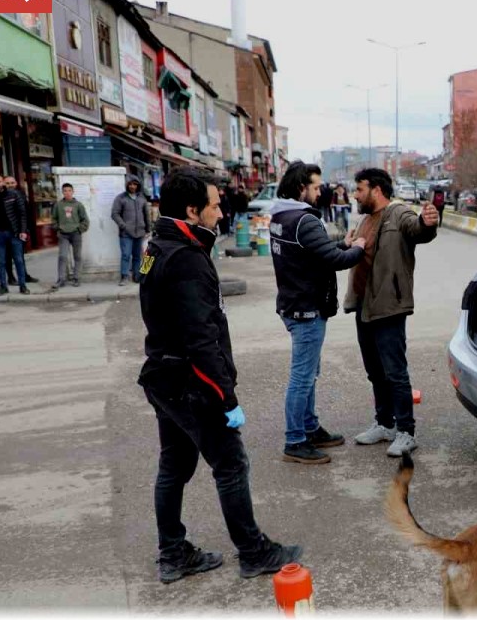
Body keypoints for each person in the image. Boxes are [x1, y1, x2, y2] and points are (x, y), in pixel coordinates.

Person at [138, 168, 302, 584]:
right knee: (230, 464)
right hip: (189, 383)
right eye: (214, 204)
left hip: (164, 376)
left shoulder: (159, 245)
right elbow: (201, 338)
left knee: (174, 466)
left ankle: (173, 553)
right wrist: (226, 397)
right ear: (192, 210)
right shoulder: (187, 259)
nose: (220, 211)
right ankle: (254, 551)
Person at [270, 162, 367, 464]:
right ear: (301, 188)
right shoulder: (305, 220)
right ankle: (295, 440)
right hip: (306, 310)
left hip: (292, 304)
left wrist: (341, 242)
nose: (319, 191)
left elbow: (310, 252)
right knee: (302, 377)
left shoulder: (280, 216)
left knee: (309, 373)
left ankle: (310, 428)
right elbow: (333, 260)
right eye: (315, 186)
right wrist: (358, 248)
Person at [344, 168, 438, 457]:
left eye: (360, 189)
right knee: (375, 371)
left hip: (388, 305)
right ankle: (384, 424)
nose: (356, 195)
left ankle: (406, 431)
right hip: (363, 304)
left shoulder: (399, 213)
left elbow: (418, 229)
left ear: (376, 190)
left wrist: (427, 222)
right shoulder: (364, 219)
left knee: (395, 372)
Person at [112, 175, 151, 286]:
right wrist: (123, 225)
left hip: (140, 232)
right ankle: (124, 276)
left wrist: (148, 229)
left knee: (137, 256)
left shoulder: (141, 198)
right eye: (130, 184)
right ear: (127, 185)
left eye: (135, 184)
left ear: (138, 185)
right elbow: (115, 214)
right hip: (126, 233)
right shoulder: (121, 198)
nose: (132, 186)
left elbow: (146, 214)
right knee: (126, 255)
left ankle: (136, 276)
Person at [50, 183, 89, 289]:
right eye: (65, 190)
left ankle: (76, 278)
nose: (67, 192)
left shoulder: (78, 205)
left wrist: (79, 229)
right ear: (62, 192)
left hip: (76, 234)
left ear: (73, 191)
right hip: (63, 235)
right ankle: (61, 279)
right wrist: (57, 228)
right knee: (62, 256)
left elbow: (85, 220)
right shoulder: (58, 205)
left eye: (69, 190)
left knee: (77, 257)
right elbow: (53, 219)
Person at [2, 176, 39, 285]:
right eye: (7, 183)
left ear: (16, 183)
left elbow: (26, 212)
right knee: (7, 255)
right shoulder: (2, 196)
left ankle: (24, 275)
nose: (10, 185)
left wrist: (27, 229)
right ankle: (10, 277)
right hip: (7, 230)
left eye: (12, 183)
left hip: (20, 230)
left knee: (20, 255)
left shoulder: (20, 194)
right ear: (4, 184)